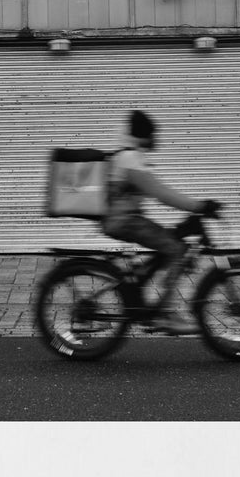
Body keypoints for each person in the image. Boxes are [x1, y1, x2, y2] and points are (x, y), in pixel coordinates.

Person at [101, 110, 221, 335]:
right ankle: (166, 314)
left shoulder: (132, 156)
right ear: (145, 135)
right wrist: (199, 206)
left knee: (170, 242)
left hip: (129, 220)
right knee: (175, 249)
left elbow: (157, 192)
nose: (157, 139)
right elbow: (161, 194)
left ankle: (145, 288)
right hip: (125, 221)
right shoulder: (130, 159)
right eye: (154, 134)